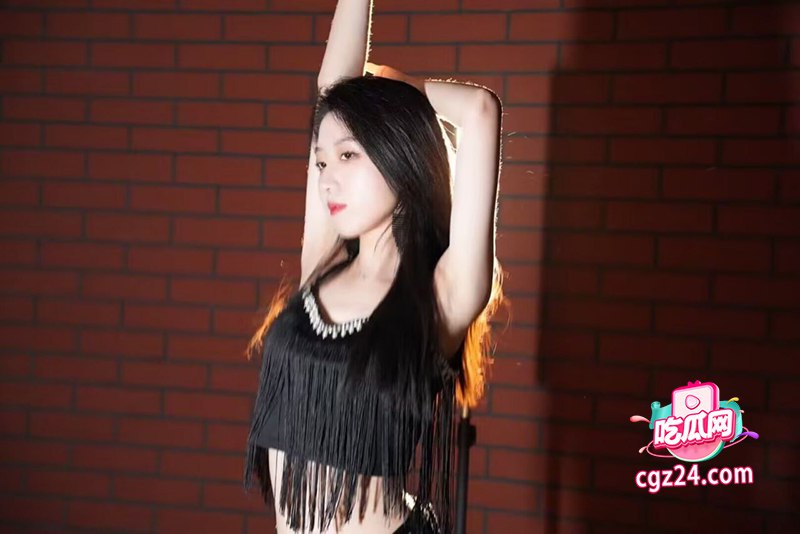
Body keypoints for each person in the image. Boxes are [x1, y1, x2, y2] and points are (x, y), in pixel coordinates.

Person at [242, 1, 505, 532]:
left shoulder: (442, 296)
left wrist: (395, 88)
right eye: (321, 160)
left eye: (347, 155)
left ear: (397, 154)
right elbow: (330, 89)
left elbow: (479, 111)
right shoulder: (324, 264)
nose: (326, 177)